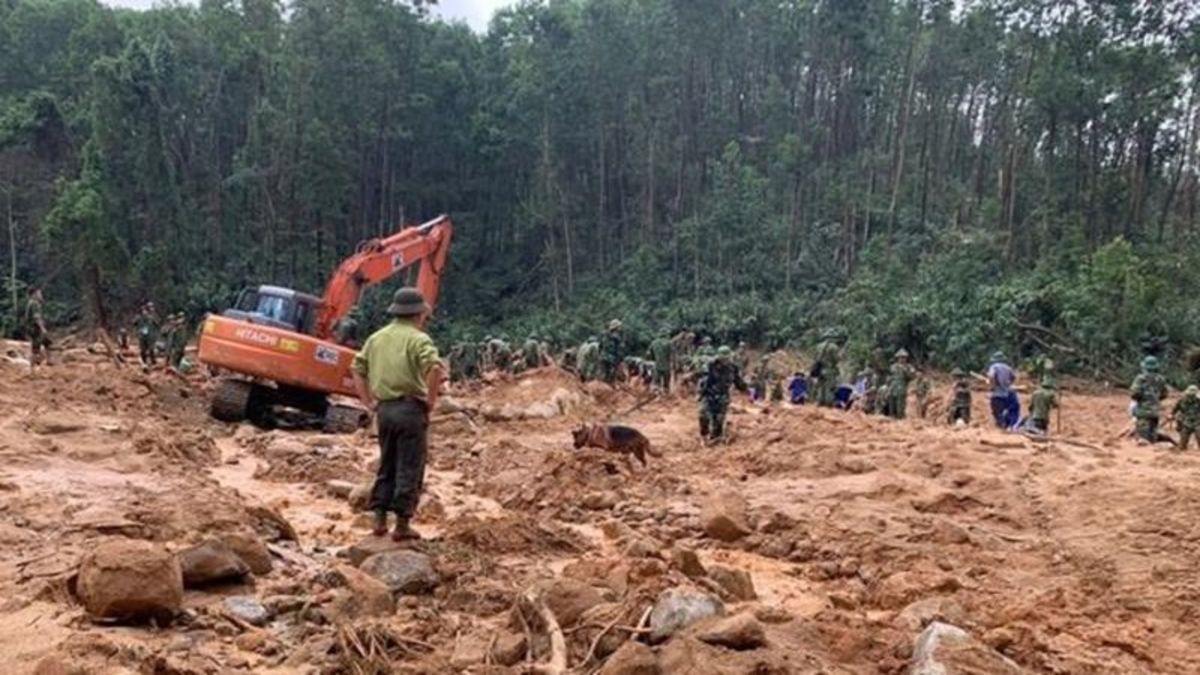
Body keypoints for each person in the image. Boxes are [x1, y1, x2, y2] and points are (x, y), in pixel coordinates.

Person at [352, 288, 445, 542]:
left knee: (387, 463)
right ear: (419, 314)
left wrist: (369, 402)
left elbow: (357, 369)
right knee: (410, 466)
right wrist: (430, 401)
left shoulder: (376, 339)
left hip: (385, 410)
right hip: (409, 408)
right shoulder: (418, 339)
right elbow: (435, 368)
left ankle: (379, 520)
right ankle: (402, 525)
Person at [698, 346, 747, 443]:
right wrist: (701, 392)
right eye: (723, 358)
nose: (725, 361)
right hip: (709, 395)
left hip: (723, 396)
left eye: (727, 358)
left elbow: (738, 381)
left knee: (719, 420)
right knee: (703, 415)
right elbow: (703, 379)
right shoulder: (710, 365)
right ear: (719, 357)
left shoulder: (733, 368)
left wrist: (746, 389)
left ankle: (716, 439)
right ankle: (704, 435)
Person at [1130, 355, 1168, 443]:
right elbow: (1165, 394)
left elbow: (1134, 393)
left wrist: (1142, 399)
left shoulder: (1141, 378)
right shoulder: (1160, 379)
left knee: (1143, 439)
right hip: (1155, 412)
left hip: (1143, 412)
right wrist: (1155, 399)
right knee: (1153, 437)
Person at [811, 330, 843, 407]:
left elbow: (815, 358)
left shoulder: (819, 346)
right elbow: (836, 360)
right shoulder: (834, 347)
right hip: (829, 370)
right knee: (829, 388)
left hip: (820, 369)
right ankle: (827, 406)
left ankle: (819, 403)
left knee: (821, 388)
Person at [986, 351, 1018, 429]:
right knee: (1005, 410)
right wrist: (1008, 384)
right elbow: (1013, 377)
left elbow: (991, 376)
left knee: (996, 411)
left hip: (997, 393)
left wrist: (992, 385)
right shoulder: (1008, 368)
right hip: (1006, 393)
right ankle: (1006, 425)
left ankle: (1001, 426)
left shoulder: (994, 367)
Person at [24, 287, 50, 370]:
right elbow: (36, 317)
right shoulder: (34, 304)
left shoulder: (31, 303)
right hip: (35, 329)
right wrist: (42, 328)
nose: (41, 295)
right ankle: (34, 367)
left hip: (32, 328)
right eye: (39, 293)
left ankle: (40, 364)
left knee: (47, 343)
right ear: (34, 294)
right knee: (36, 347)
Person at [885, 349, 914, 419]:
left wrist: (905, 370)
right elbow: (889, 377)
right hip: (892, 388)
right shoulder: (893, 367)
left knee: (900, 408)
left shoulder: (909, 367)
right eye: (900, 357)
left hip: (901, 388)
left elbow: (912, 377)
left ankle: (900, 420)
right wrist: (888, 385)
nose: (902, 359)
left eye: (903, 357)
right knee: (891, 407)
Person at [1173, 386, 1200, 450]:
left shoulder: (1199, 401)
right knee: (1182, 444)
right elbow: (1175, 409)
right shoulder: (1182, 401)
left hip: (1198, 423)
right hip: (1185, 423)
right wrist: (1171, 415)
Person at [599, 320, 625, 384]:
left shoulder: (604, 335)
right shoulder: (617, 338)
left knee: (603, 375)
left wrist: (600, 355)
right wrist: (620, 360)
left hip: (603, 357)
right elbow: (619, 351)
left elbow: (600, 346)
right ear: (616, 327)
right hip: (612, 359)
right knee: (610, 378)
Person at [135, 302, 161, 367]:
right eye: (143, 311)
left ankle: (153, 361)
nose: (144, 312)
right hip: (142, 336)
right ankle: (144, 362)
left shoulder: (153, 317)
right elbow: (134, 323)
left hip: (150, 336)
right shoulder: (139, 318)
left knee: (151, 349)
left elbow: (158, 323)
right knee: (143, 350)